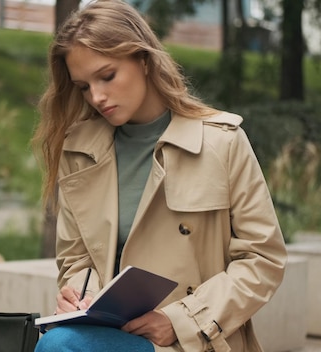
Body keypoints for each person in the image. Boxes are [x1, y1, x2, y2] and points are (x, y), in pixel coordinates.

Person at [30, 0, 288, 351]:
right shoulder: (80, 151)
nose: (97, 96)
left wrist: (181, 320)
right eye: (83, 87)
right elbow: (78, 259)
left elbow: (263, 260)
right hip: (108, 332)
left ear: (144, 60)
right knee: (61, 343)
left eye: (107, 76)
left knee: (60, 347)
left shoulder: (221, 142)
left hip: (195, 341)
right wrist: (80, 296)